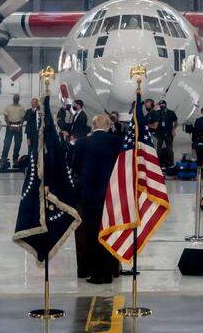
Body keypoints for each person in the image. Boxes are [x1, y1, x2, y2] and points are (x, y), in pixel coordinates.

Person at [73, 113, 123, 284]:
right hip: (111, 194)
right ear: (109, 126)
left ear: (92, 126)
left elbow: (75, 166)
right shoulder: (116, 142)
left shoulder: (82, 143)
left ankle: (94, 273)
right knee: (109, 232)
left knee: (91, 233)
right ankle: (109, 272)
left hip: (89, 195)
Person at [1, 94, 26, 169]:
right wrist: (9, 126)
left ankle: (15, 160)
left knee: (18, 143)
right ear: (13, 99)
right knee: (7, 143)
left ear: (19, 99)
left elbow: (22, 118)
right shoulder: (8, 107)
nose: (16, 99)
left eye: (17, 98)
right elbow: (6, 117)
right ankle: (4, 159)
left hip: (18, 126)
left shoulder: (21, 107)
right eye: (15, 98)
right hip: (10, 126)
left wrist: (20, 126)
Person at [156, 99, 178, 169]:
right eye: (161, 105)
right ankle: (158, 163)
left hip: (169, 132)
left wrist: (174, 129)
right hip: (159, 132)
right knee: (158, 148)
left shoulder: (171, 112)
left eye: (163, 104)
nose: (162, 106)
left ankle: (171, 163)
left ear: (166, 105)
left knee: (169, 148)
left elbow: (176, 122)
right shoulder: (157, 112)